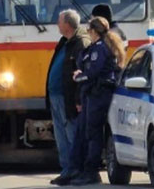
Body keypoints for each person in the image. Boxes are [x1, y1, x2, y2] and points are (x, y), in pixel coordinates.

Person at [63, 17, 126, 186]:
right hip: (93, 93)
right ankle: (85, 170)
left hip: (99, 94)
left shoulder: (100, 48)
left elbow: (93, 72)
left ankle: (91, 171)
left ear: (93, 31)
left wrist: (78, 76)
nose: (87, 33)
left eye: (88, 30)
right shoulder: (96, 47)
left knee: (93, 133)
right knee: (89, 132)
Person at [46, 9, 91, 185]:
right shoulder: (66, 41)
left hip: (68, 98)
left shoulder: (80, 43)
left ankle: (75, 170)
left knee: (72, 135)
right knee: (61, 137)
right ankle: (66, 170)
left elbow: (82, 74)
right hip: (56, 95)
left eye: (59, 21)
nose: (57, 23)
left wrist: (78, 99)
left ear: (67, 24)